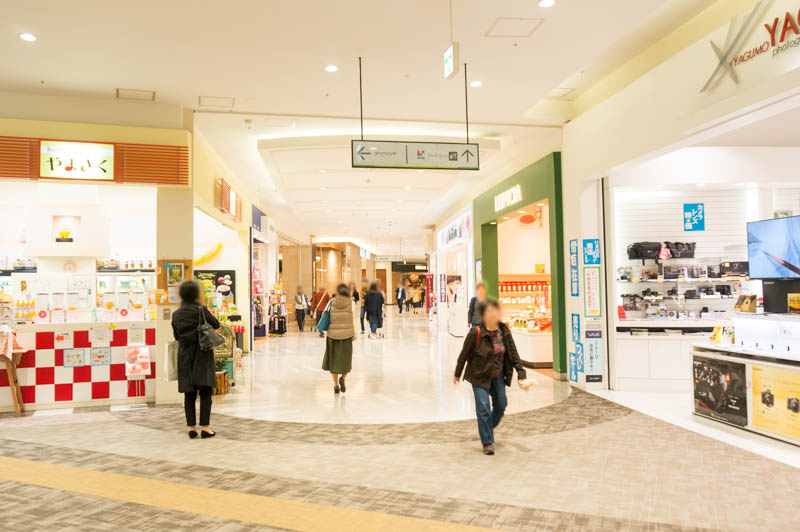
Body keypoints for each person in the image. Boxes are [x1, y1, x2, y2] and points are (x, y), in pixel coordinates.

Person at [453, 299, 529, 455]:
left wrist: (521, 373)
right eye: (489, 311)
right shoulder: (476, 332)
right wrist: (457, 373)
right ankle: (487, 442)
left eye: (495, 311)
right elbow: (464, 354)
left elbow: (513, 352)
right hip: (479, 375)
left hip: (498, 376)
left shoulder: (504, 331)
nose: (493, 314)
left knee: (501, 404)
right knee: (483, 408)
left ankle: (488, 427)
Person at [171, 280, 220, 440]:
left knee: (189, 393)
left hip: (184, 355)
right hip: (202, 354)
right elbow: (216, 324)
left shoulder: (176, 314)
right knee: (205, 392)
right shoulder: (201, 310)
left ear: (182, 295)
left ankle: (191, 428)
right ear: (196, 294)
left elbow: (176, 336)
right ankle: (205, 428)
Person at [321, 284, 355, 394]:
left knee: (333, 361)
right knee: (346, 360)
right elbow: (353, 316)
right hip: (347, 335)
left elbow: (325, 315)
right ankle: (343, 379)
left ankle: (336, 385)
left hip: (333, 335)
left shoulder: (331, 302)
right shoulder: (352, 303)